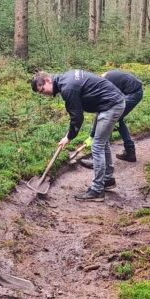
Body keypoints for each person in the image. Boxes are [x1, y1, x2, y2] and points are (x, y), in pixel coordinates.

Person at [31, 70, 125, 202]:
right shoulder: (65, 79)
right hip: (109, 103)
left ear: (47, 81)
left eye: (42, 90)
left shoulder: (68, 87)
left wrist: (69, 137)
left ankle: (97, 190)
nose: (44, 94)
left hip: (111, 105)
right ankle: (107, 180)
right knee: (102, 143)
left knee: (97, 146)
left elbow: (77, 117)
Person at [84, 70, 144, 163]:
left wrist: (92, 135)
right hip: (135, 92)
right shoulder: (107, 76)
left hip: (132, 94)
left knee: (109, 120)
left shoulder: (105, 83)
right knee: (118, 120)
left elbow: (101, 112)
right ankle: (130, 152)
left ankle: (97, 160)